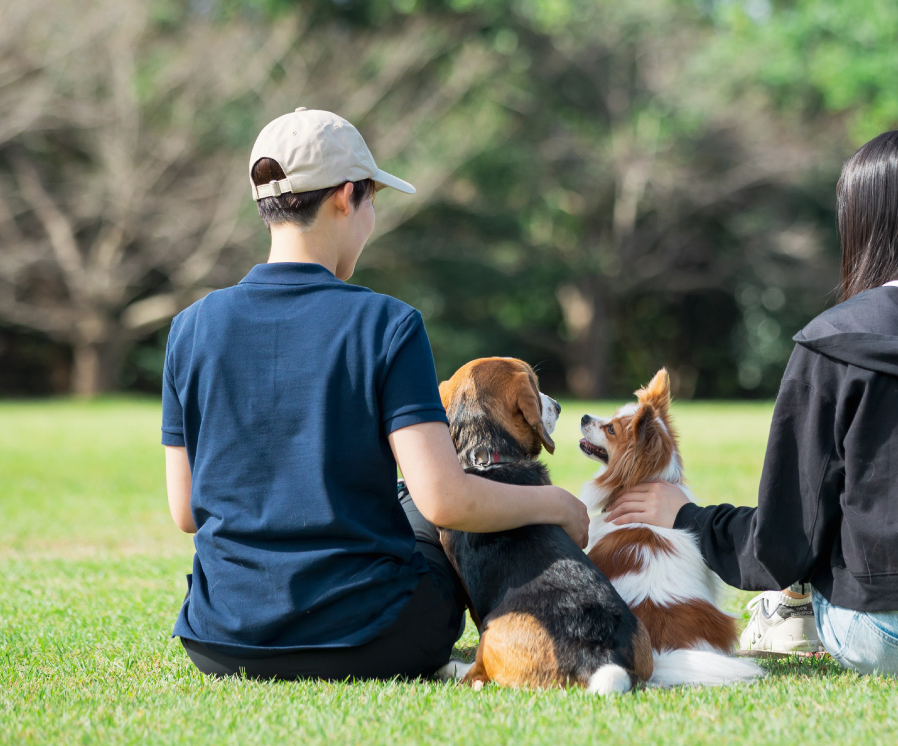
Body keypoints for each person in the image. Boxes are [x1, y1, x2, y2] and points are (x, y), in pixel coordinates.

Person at [605, 130, 898, 676]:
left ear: (860, 222)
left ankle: (789, 616)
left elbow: (786, 541)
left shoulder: (832, 341)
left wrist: (689, 517)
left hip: (885, 636)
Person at [160, 108, 588, 681]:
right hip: (372, 638)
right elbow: (445, 502)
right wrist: (556, 504)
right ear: (345, 196)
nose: (371, 219)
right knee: (426, 511)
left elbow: (186, 511)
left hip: (220, 641)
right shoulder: (387, 324)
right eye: (372, 200)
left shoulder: (190, 327)